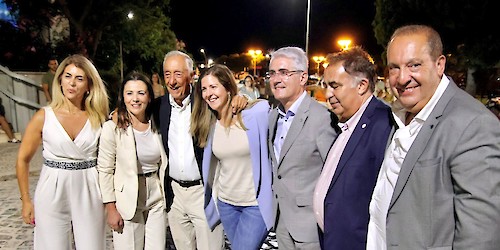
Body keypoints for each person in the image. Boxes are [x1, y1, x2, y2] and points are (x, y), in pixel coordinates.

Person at [367, 24, 500, 249]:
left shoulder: (472, 124)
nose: (402, 78)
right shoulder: (398, 114)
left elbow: (481, 236)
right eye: (394, 68)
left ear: (439, 65)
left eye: (414, 65)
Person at [153, 50, 247, 250]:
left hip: (202, 193)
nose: (172, 80)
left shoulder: (206, 103)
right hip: (175, 195)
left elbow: (228, 99)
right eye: (167, 74)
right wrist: (119, 112)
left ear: (191, 75)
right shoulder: (160, 106)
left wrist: (241, 99)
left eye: (178, 74)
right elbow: (134, 111)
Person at [16, 54, 109, 249]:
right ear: (60, 80)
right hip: (52, 188)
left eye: (79, 78)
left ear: (89, 86)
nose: (72, 83)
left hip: (90, 188)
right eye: (67, 76)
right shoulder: (44, 116)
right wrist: (26, 200)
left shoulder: (99, 118)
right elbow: (22, 159)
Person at [311, 47, 393, 250]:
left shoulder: (383, 124)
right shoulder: (346, 122)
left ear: (362, 86)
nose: (327, 94)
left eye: (335, 86)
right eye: (325, 86)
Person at [190, 64, 274, 249]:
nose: (208, 93)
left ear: (228, 88)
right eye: (204, 89)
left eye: (213, 87)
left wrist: (243, 97)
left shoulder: (253, 114)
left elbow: (266, 105)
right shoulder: (210, 125)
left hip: (255, 205)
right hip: (227, 204)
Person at [268, 46, 339, 249]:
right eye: (272, 73)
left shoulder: (321, 118)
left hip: (309, 226)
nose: (276, 79)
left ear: (302, 77)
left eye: (284, 72)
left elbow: (334, 175)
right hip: (281, 220)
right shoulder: (274, 115)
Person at [97, 71, 168, 249]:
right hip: (127, 197)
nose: (135, 99)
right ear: (123, 97)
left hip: (156, 196)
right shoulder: (112, 127)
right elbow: (105, 170)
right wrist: (110, 208)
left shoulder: (158, 122)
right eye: (129, 93)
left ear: (149, 97)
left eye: (141, 93)